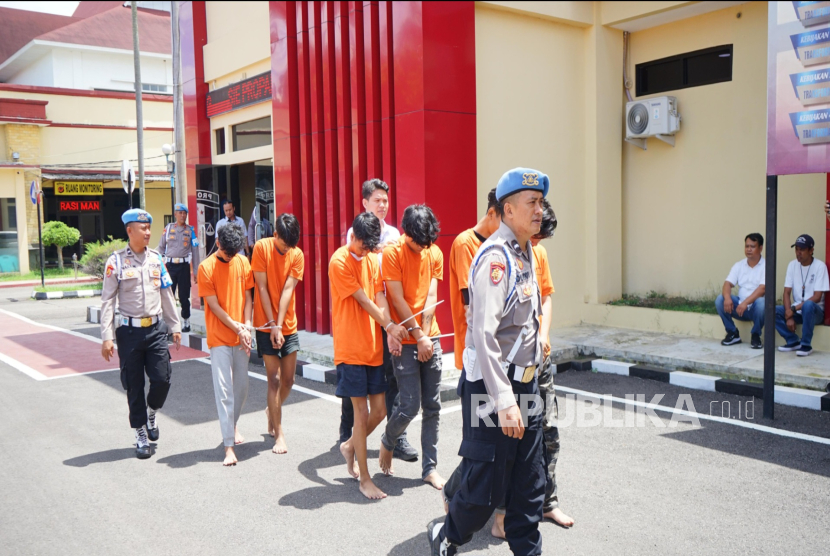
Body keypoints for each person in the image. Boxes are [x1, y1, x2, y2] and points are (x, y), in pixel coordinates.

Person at [429, 168, 549, 556]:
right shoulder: (496, 258)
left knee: (530, 483)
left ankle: (528, 550)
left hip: (526, 384)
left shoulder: (528, 250)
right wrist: (504, 399)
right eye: (531, 203)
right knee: (484, 488)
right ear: (507, 210)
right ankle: (447, 536)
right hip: (493, 388)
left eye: (541, 202)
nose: (539, 210)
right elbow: (483, 334)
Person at [329, 212, 408, 500]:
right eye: (362, 246)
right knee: (360, 413)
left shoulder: (373, 261)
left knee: (380, 411)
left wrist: (388, 331)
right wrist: (388, 324)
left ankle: (350, 446)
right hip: (350, 349)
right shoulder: (338, 261)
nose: (365, 251)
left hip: (373, 347)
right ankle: (364, 478)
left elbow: (378, 297)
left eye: (369, 248)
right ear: (352, 237)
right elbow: (362, 300)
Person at [340, 179, 419, 462]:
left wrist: (392, 324)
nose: (382, 205)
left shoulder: (396, 234)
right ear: (365, 203)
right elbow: (360, 287)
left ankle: (397, 438)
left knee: (392, 380)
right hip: (366, 318)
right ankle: (347, 434)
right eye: (377, 200)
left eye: (385, 200)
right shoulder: (356, 233)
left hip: (390, 313)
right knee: (356, 388)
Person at [100, 209, 181, 460]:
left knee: (162, 379)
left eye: (149, 228)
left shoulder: (157, 259)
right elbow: (107, 301)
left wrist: (175, 326)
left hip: (156, 329)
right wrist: (107, 336)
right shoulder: (115, 262)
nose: (147, 232)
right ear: (129, 231)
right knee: (134, 385)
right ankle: (140, 434)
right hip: (129, 332)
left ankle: (152, 411)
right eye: (142, 228)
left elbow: (167, 294)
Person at [377, 205, 445, 489]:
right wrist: (417, 336)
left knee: (433, 406)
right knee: (409, 406)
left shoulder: (434, 252)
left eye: (429, 242)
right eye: (420, 242)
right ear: (407, 234)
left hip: (430, 337)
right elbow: (397, 297)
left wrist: (426, 336)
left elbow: (431, 294)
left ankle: (430, 468)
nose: (425, 247)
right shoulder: (392, 253)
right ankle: (388, 440)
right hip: (405, 339)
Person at [198, 223, 254, 465]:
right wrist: (238, 327)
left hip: (241, 335)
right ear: (217, 243)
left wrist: (248, 325)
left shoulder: (242, 262)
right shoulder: (205, 268)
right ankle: (228, 447)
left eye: (235, 253)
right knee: (224, 392)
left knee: (241, 389)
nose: (231, 257)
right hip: (220, 337)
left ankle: (232, 424)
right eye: (227, 252)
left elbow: (248, 298)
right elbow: (214, 306)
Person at [251, 213, 304, 454]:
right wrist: (271, 324)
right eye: (284, 244)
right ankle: (279, 433)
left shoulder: (297, 254)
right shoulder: (261, 248)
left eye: (291, 245)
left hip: (287, 324)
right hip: (264, 323)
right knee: (273, 378)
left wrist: (280, 325)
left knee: (289, 379)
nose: (288, 249)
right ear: (275, 236)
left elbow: (288, 290)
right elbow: (261, 286)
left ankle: (272, 409)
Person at [449, 188, 502, 373]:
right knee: (474, 398)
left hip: (494, 339)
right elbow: (468, 301)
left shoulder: (498, 244)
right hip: (473, 340)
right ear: (491, 213)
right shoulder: (465, 243)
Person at [775, 234, 829, 357]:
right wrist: (789, 314)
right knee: (772, 310)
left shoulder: (820, 267)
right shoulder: (792, 265)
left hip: (814, 312)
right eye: (797, 249)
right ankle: (792, 340)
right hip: (796, 311)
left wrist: (793, 309)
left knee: (808, 305)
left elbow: (817, 297)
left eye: (802, 250)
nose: (798, 253)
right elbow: (786, 292)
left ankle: (806, 345)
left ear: (811, 251)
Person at [715, 233, 766, 349]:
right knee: (720, 299)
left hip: (756, 310)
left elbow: (762, 289)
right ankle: (733, 333)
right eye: (747, 246)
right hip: (740, 308)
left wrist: (745, 303)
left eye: (752, 246)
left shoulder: (766, 266)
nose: (749, 249)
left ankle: (756, 335)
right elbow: (727, 284)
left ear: (761, 248)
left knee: (762, 302)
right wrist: (727, 298)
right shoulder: (739, 265)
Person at [158, 203, 201, 332]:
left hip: (183, 267)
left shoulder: (190, 231)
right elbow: (160, 247)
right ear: (175, 214)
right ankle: (168, 323)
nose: (182, 215)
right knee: (168, 295)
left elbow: (195, 252)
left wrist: (196, 272)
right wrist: (157, 266)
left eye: (184, 213)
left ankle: (186, 321)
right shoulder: (168, 229)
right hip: (170, 267)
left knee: (184, 296)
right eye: (180, 213)